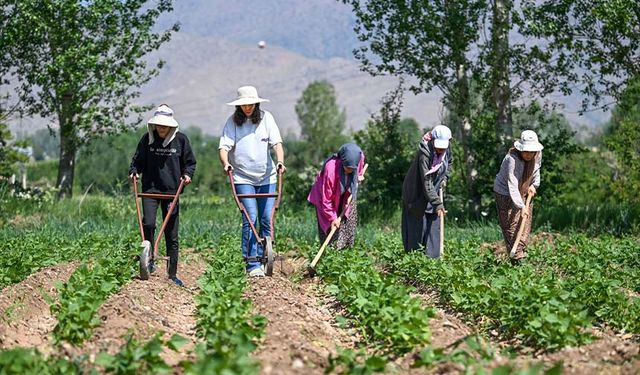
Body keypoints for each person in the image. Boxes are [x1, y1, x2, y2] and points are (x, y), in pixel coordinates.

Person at [219, 86, 286, 278]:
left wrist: (280, 161)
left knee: (266, 218)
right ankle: (251, 263)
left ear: (256, 103)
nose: (247, 108)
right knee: (251, 218)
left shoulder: (267, 118)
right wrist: (226, 164)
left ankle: (266, 256)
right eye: (243, 105)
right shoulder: (232, 122)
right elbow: (224, 147)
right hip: (242, 177)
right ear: (238, 106)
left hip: (267, 176)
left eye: (250, 104)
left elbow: (277, 144)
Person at [129, 104, 196, 287]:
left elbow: (190, 163)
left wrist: (188, 175)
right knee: (148, 224)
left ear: (171, 126)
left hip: (172, 192)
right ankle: (148, 260)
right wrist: (134, 171)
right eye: (159, 125)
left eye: (165, 125)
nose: (161, 128)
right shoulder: (146, 140)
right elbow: (137, 162)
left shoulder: (181, 140)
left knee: (171, 234)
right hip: (149, 189)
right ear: (154, 125)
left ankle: (172, 274)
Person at [401, 125, 453, 258]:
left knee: (433, 229)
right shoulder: (425, 154)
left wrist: (444, 177)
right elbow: (426, 182)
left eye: (443, 147)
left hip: (433, 191)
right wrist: (438, 203)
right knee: (417, 229)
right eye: (438, 146)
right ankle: (414, 261)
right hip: (417, 192)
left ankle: (432, 261)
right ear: (432, 141)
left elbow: (450, 162)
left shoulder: (447, 149)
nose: (440, 150)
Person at [494, 130, 543, 265]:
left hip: (525, 190)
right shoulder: (512, 160)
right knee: (511, 225)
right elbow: (512, 184)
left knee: (525, 223)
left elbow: (536, 170)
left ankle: (521, 252)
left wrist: (534, 185)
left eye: (531, 151)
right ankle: (516, 259)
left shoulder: (537, 154)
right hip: (505, 193)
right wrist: (520, 206)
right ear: (520, 149)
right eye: (525, 151)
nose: (528, 154)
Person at [307, 143, 366, 250]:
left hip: (346, 196)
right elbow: (326, 200)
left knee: (348, 222)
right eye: (347, 168)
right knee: (331, 229)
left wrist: (359, 176)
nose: (349, 171)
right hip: (325, 200)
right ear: (342, 162)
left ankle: (346, 253)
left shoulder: (359, 158)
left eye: (352, 169)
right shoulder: (331, 170)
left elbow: (360, 168)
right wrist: (333, 218)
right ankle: (329, 257)